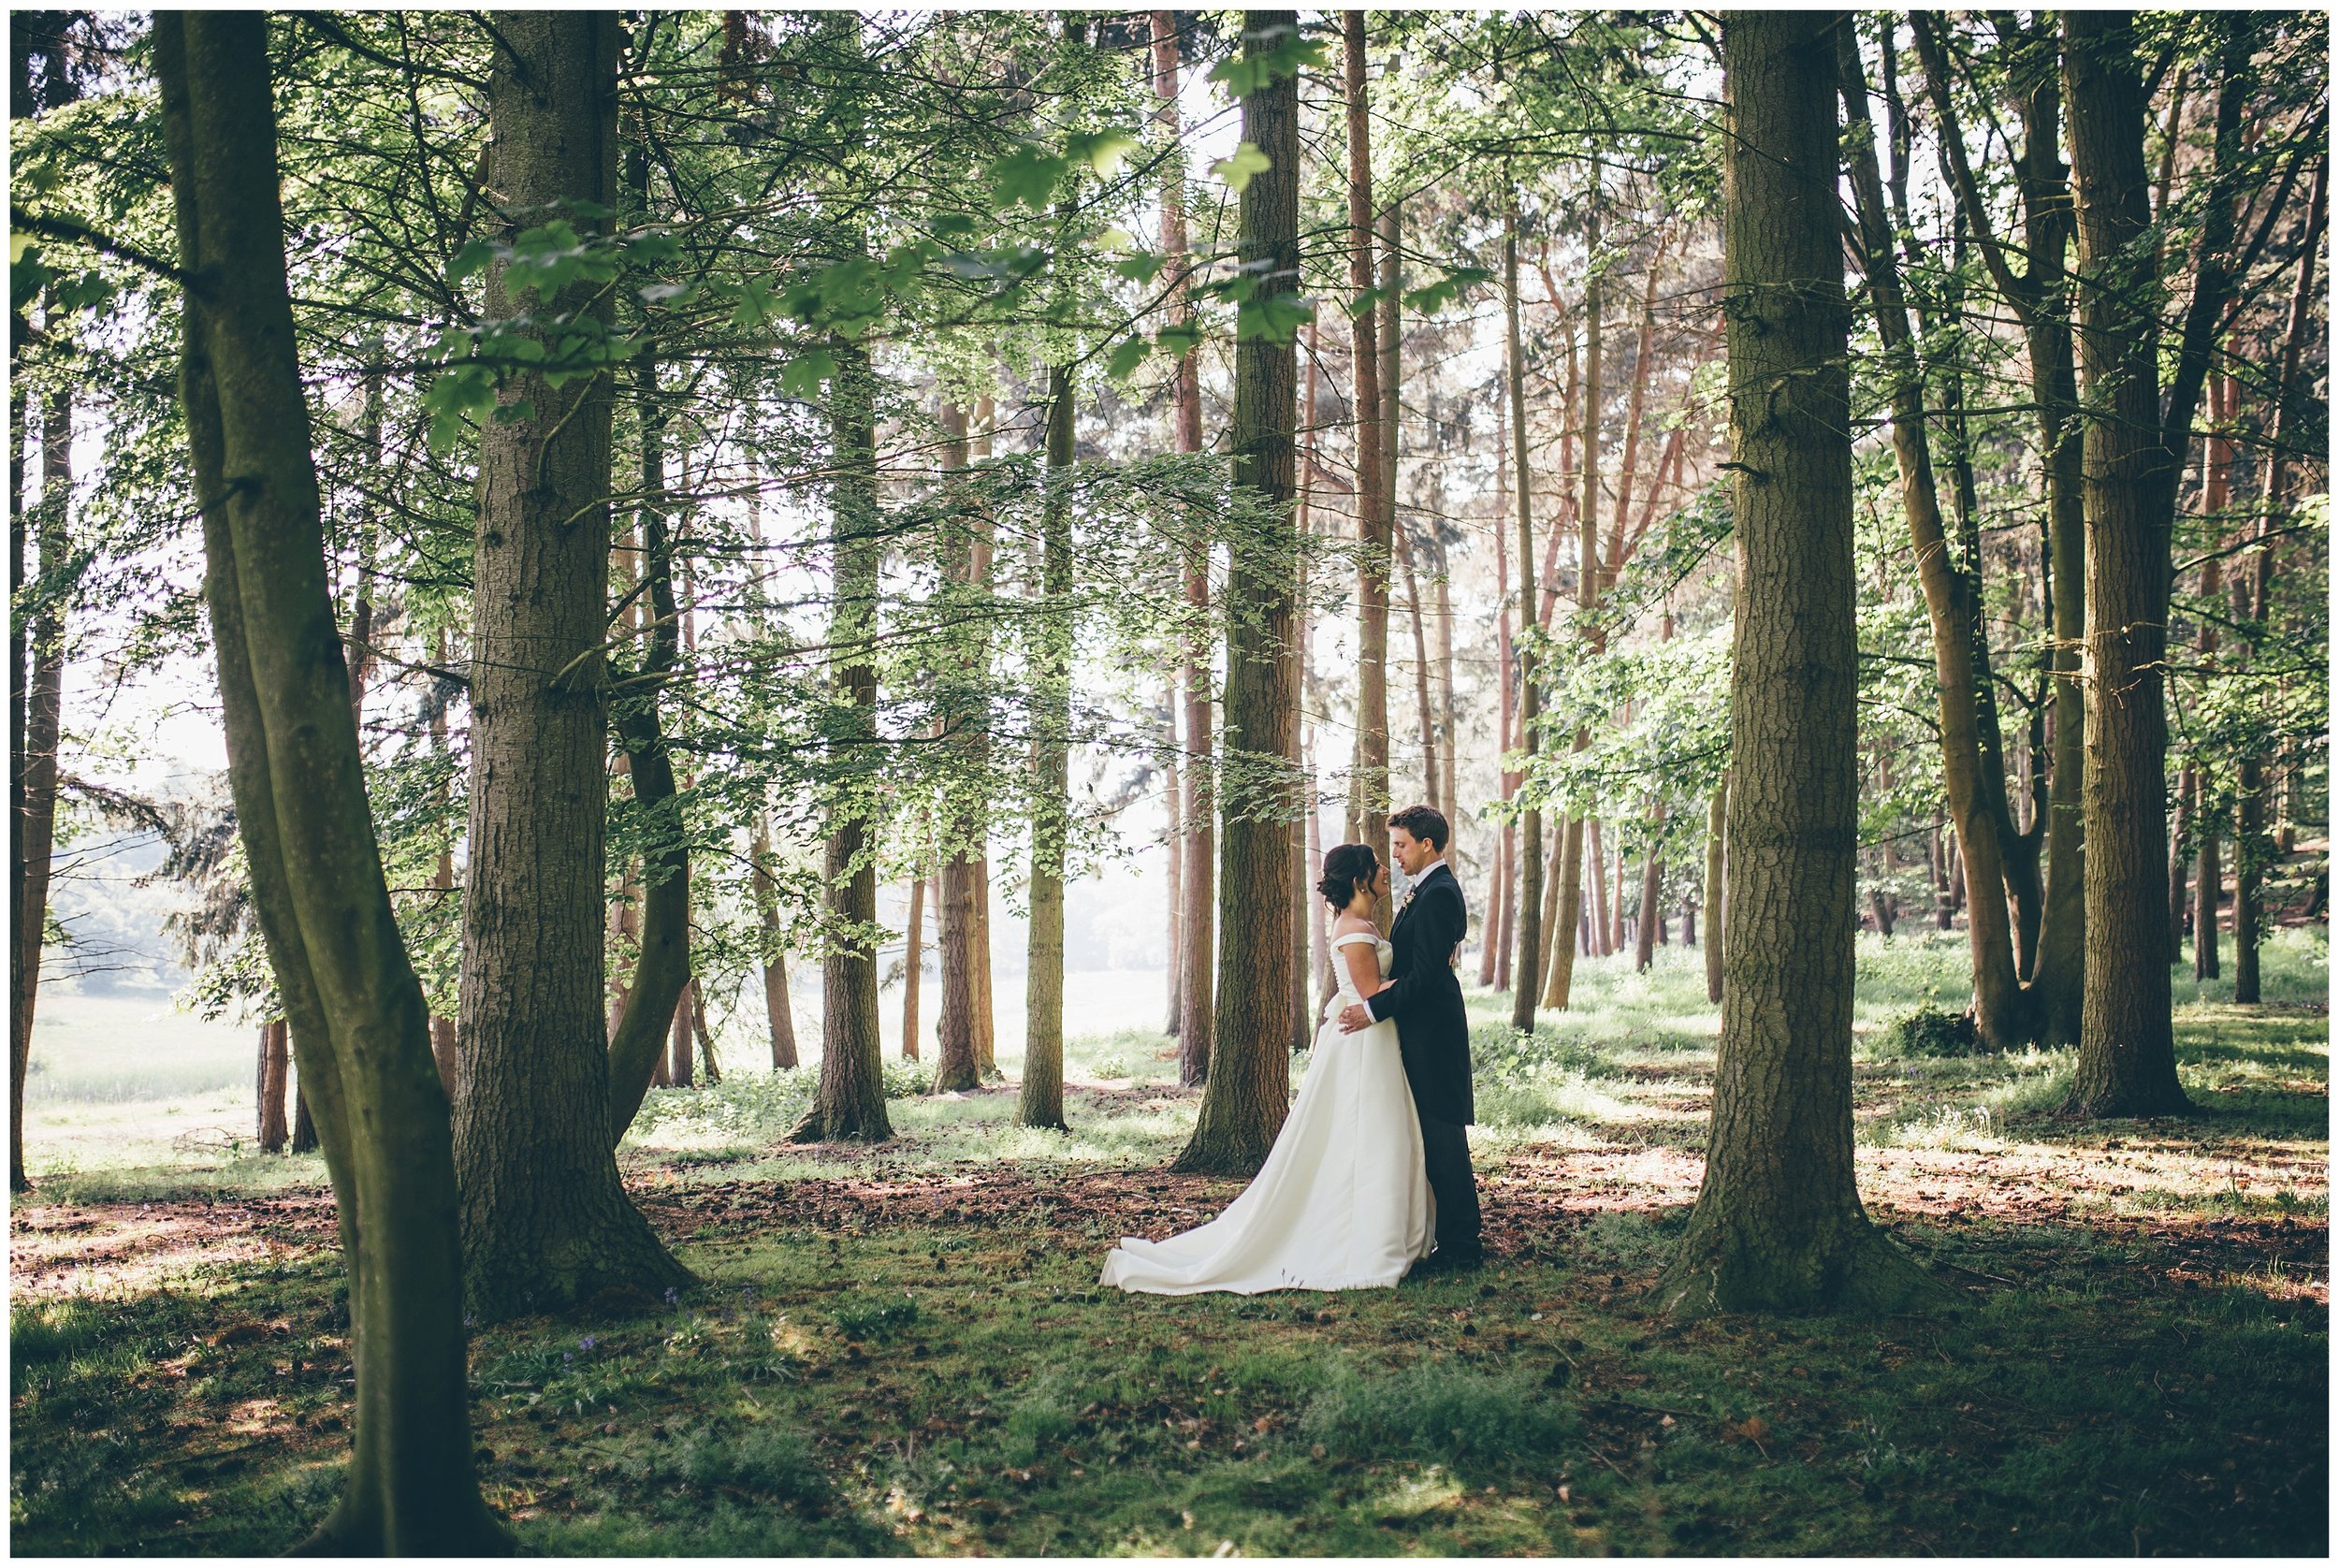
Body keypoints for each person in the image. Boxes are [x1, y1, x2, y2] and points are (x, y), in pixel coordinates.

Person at [1098, 841, 1433, 1294]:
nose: (1384, 870)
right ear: (1359, 880)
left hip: (1369, 1038)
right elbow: (1372, 991)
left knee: (1378, 1135)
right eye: (1376, 866)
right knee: (1368, 1136)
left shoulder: (1361, 923)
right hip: (1362, 1045)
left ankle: (1386, 1235)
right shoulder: (1353, 929)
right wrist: (1430, 978)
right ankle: (1367, 1244)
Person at [1340, 805, 1482, 1273]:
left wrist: (1372, 1009)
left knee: (1444, 1141)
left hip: (1434, 1036)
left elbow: (1423, 978)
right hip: (1416, 1031)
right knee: (1431, 1141)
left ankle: (1463, 1248)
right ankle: (1449, 1240)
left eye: (1401, 845)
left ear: (1426, 844)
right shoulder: (1424, 891)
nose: (1394, 855)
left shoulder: (1439, 894)